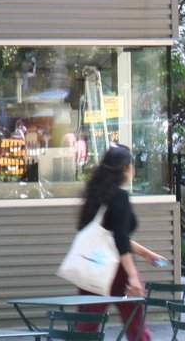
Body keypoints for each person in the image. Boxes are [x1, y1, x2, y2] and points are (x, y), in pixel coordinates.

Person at [74, 144, 165, 341]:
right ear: (125, 169)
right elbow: (120, 238)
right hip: (119, 271)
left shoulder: (94, 196)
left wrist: (144, 253)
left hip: (93, 267)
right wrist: (132, 276)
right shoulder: (120, 196)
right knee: (136, 327)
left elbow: (108, 236)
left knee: (85, 327)